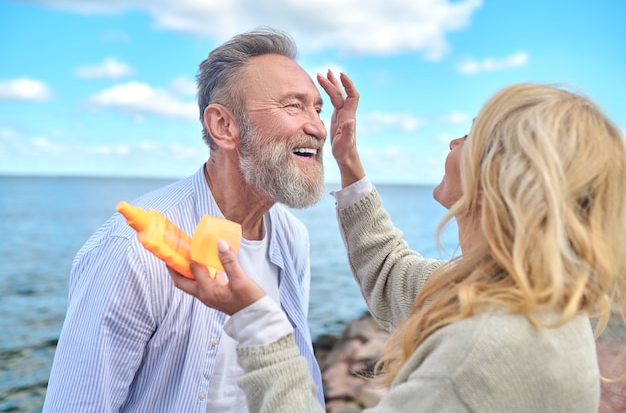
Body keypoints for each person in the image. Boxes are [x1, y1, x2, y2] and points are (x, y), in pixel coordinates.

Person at [169, 72, 626, 412]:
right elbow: (392, 276)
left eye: (471, 133)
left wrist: (258, 322)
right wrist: (348, 162)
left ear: (500, 180)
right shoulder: (524, 293)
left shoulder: (482, 352)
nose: (453, 139)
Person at [42, 27, 329, 412]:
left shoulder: (292, 236)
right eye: (293, 106)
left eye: (317, 108)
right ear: (224, 126)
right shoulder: (134, 250)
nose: (318, 128)